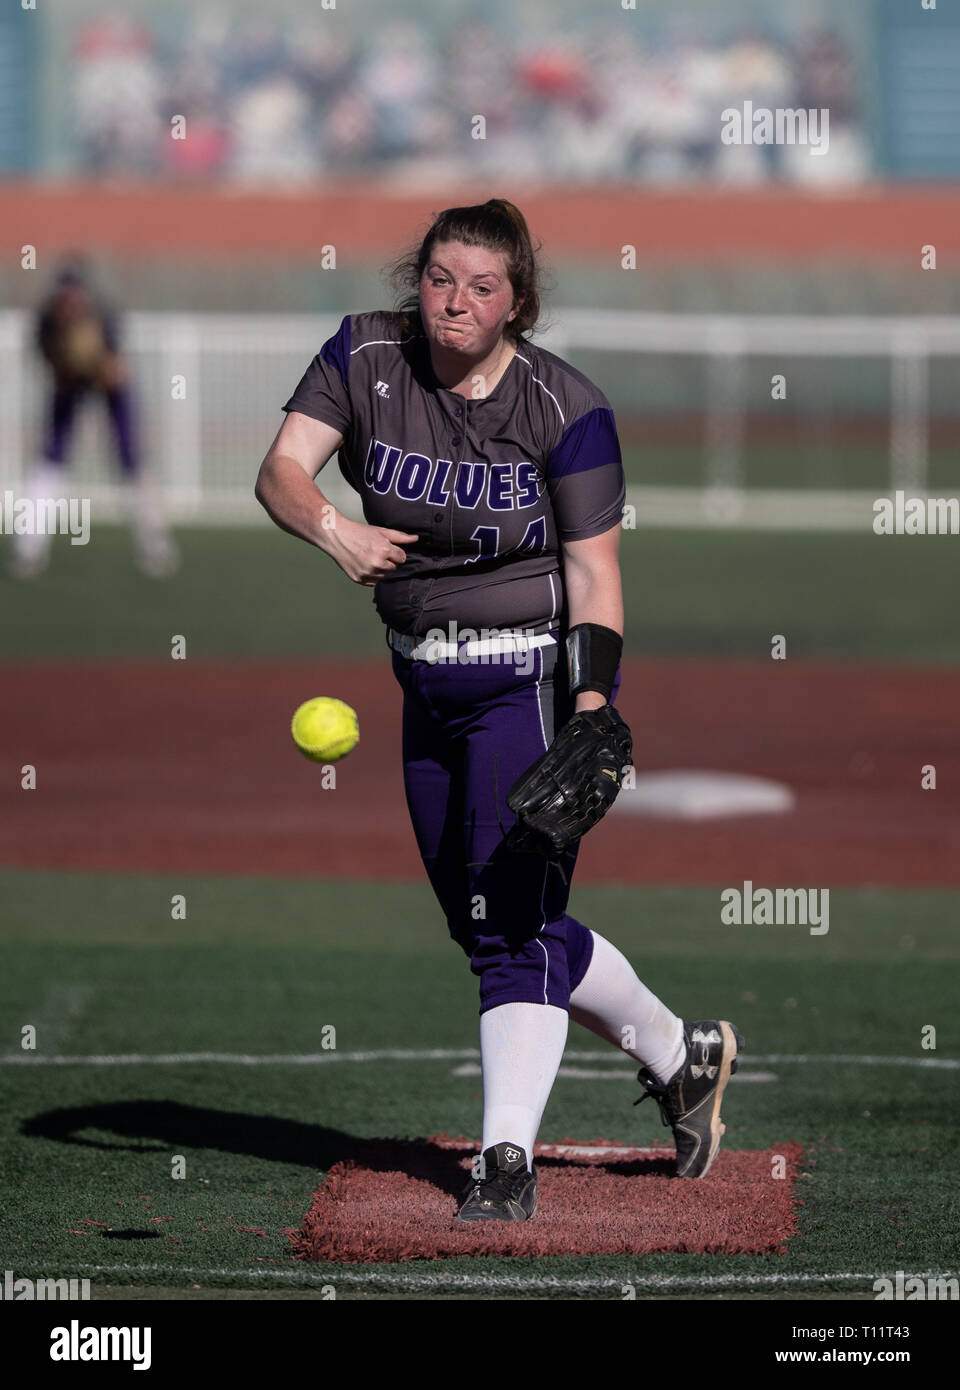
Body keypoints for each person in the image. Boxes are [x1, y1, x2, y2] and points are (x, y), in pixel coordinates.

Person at [255, 199, 743, 1222]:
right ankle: (678, 1051)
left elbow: (594, 570)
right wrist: (334, 530)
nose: (455, 302)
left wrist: (596, 702)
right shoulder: (364, 355)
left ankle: (505, 1159)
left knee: (508, 929)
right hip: (419, 677)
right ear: (415, 279)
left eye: (482, 285)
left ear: (519, 298)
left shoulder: (565, 407)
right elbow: (282, 472)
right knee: (485, 919)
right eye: (439, 278)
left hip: (525, 678)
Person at [8, 256, 177, 580]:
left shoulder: (105, 314)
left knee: (130, 456)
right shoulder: (46, 320)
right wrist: (69, 368)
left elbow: (116, 372)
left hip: (107, 381)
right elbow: (47, 362)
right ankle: (29, 545)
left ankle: (154, 541)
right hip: (70, 382)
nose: (69, 302)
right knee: (51, 455)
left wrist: (95, 366)